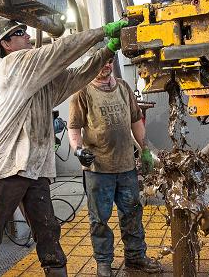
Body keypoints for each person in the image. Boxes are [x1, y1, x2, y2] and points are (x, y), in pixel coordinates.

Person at [0, 17, 128, 277]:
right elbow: (60, 51)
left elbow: (77, 77)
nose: (29, 36)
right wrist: (102, 32)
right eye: (21, 33)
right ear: (7, 44)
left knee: (48, 232)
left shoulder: (38, 78)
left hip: (36, 169)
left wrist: (107, 51)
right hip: (7, 168)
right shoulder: (15, 64)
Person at [67, 57, 162, 276]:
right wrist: (78, 150)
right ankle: (103, 263)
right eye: (100, 61)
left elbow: (135, 120)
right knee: (99, 219)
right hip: (98, 170)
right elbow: (74, 127)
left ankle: (135, 257)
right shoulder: (82, 92)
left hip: (126, 166)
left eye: (109, 61)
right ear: (90, 64)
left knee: (132, 213)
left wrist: (145, 148)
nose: (106, 65)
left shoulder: (123, 87)